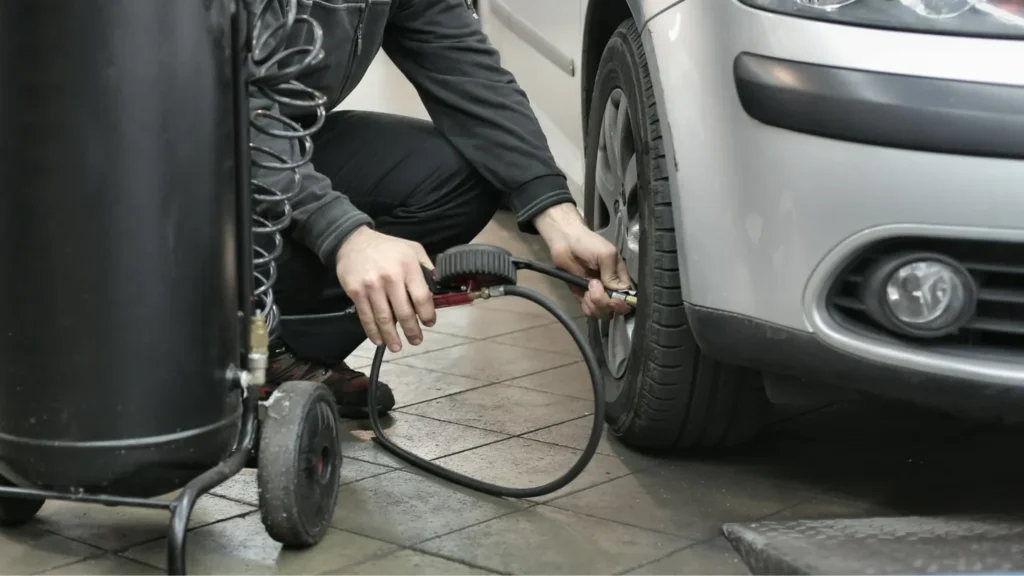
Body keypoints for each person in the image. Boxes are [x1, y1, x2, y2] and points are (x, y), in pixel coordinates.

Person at [253, 0, 631, 418]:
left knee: (462, 177)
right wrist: (344, 234)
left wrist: (557, 216)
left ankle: (273, 345)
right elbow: (216, 111)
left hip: (278, 142)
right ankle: (205, 335)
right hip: (191, 165)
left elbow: (469, 75)